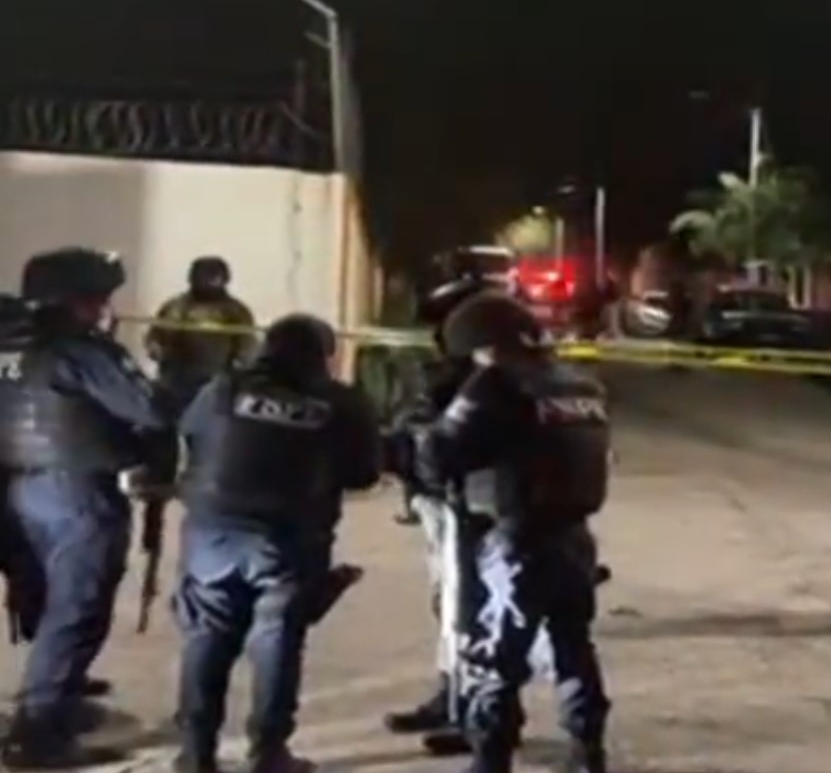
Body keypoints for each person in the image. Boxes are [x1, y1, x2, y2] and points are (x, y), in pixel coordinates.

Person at [172, 313, 380, 773]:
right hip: (288, 539)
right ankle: (268, 752)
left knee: (206, 637)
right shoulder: (340, 403)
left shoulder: (222, 388)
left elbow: (189, 435)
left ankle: (195, 752)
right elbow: (364, 473)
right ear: (324, 356)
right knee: (277, 641)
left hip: (212, 532)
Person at [415, 291, 612, 773]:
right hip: (575, 539)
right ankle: (587, 752)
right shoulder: (580, 384)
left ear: (483, 345)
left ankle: (490, 759)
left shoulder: (496, 384)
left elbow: (440, 455)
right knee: (571, 649)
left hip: (517, 540)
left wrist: (418, 434)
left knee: (495, 661)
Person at [0, 247, 174, 768]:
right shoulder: (83, 351)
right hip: (76, 492)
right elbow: (150, 408)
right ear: (75, 300)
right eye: (97, 297)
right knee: (77, 609)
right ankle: (38, 730)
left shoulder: (11, 344)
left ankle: (56, 701)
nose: (105, 307)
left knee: (50, 604)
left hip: (15, 490)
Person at [382, 275, 560, 755]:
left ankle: (479, 717)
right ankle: (458, 699)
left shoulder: (491, 378)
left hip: (476, 509)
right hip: (459, 505)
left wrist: (417, 445)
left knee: (471, 613)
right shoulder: (492, 368)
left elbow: (450, 441)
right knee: (454, 609)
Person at [144, 256, 257, 409]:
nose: (208, 280)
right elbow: (154, 336)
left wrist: (238, 370)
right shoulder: (174, 307)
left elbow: (247, 347)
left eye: (213, 275)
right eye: (203, 274)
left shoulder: (235, 311)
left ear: (224, 278)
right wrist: (155, 348)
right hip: (174, 382)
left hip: (214, 386)